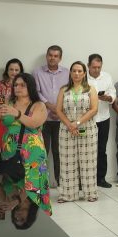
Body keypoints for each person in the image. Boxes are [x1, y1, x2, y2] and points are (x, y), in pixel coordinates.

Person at [0, 73, 52, 221]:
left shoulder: (38, 105)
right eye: (16, 85)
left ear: (31, 87)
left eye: (22, 85)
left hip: (32, 154)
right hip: (9, 153)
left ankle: (38, 220)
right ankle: (11, 209)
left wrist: (17, 113)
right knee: (7, 185)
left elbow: (34, 123)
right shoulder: (7, 103)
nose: (18, 87)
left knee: (33, 185)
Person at [56, 61, 100, 202]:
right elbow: (58, 110)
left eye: (80, 71)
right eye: (74, 71)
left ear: (84, 73)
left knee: (88, 162)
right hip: (67, 130)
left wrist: (77, 123)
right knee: (67, 162)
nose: (76, 73)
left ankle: (90, 193)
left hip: (86, 129)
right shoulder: (64, 90)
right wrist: (70, 125)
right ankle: (67, 194)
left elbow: (94, 109)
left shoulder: (91, 89)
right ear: (70, 73)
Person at [33, 45, 69, 184]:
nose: (52, 58)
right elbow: (36, 92)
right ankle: (42, 183)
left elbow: (69, 92)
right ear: (46, 56)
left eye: (56, 56)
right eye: (50, 55)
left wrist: (59, 110)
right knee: (43, 152)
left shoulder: (67, 73)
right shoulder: (37, 72)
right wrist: (49, 105)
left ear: (60, 58)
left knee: (59, 152)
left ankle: (61, 183)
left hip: (62, 119)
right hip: (43, 118)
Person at [87, 54, 116, 188]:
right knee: (86, 150)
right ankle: (86, 180)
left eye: (99, 67)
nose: (97, 70)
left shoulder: (107, 77)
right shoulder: (82, 77)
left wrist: (108, 98)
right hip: (87, 119)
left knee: (101, 149)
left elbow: (113, 94)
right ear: (88, 66)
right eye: (94, 67)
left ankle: (101, 179)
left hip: (104, 118)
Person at [0, 58, 24, 149]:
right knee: (6, 148)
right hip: (3, 120)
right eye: (11, 69)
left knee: (21, 150)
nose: (14, 72)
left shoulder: (25, 85)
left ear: (21, 71)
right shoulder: (0, 86)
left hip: (21, 121)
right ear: (7, 70)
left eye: (16, 70)